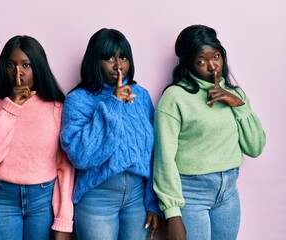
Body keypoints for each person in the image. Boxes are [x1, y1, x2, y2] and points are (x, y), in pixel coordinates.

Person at [153, 24, 266, 240]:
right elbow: (164, 158)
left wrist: (238, 104)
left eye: (216, 56)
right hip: (191, 193)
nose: (212, 66)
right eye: (201, 61)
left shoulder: (235, 94)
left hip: (228, 192)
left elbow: (255, 147)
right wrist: (172, 212)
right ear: (188, 64)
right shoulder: (175, 97)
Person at [0, 35, 74, 240]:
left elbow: (65, 169)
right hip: (1, 199)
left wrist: (64, 220)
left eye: (26, 65)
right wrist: (11, 108)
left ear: (38, 67)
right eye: (10, 65)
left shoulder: (57, 108)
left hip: (43, 199)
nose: (18, 72)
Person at [60, 28, 162, 240]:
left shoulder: (140, 95)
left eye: (123, 57)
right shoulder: (78, 100)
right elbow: (81, 156)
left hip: (137, 198)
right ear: (95, 61)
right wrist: (112, 104)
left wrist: (153, 201)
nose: (118, 66)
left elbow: (154, 153)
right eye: (109, 58)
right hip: (97, 198)